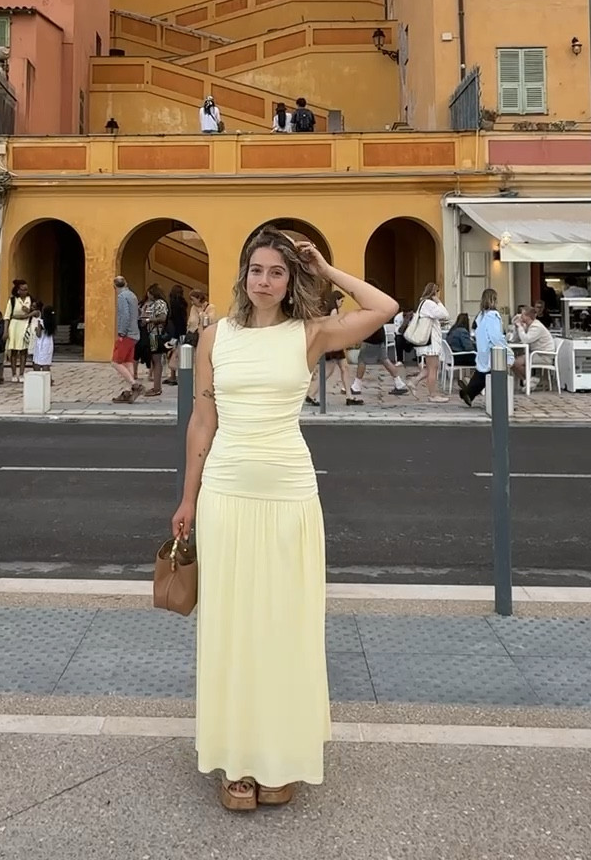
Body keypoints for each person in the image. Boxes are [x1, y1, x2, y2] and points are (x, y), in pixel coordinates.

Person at [171, 225, 398, 811]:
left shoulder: (311, 332)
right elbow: (202, 421)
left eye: (277, 272)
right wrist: (188, 498)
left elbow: (385, 307)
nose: (265, 281)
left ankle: (280, 755)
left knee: (283, 624)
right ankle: (237, 760)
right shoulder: (214, 336)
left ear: (290, 279)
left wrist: (324, 269)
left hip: (289, 491)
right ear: (243, 275)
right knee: (231, 626)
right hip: (225, 489)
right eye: (257, 270)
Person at [458, 288, 514, 407]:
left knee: (482, 373)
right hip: (492, 349)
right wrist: (506, 348)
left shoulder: (481, 315)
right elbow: (495, 336)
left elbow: (475, 331)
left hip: (482, 348)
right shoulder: (493, 316)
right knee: (493, 374)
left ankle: (469, 392)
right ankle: (499, 402)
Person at [347, 318, 411, 405]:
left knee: (362, 360)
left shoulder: (370, 312)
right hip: (380, 336)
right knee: (385, 359)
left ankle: (356, 386)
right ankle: (399, 383)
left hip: (371, 337)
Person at [305, 290, 351, 405]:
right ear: (336, 300)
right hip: (334, 344)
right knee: (329, 371)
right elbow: (333, 327)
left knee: (343, 368)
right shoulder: (334, 311)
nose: (342, 304)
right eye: (341, 301)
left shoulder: (329, 310)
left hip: (333, 344)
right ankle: (311, 394)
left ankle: (349, 396)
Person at [411, 282, 451, 403]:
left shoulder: (423, 303)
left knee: (431, 367)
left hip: (429, 341)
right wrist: (438, 301)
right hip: (431, 342)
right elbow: (445, 314)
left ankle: (414, 382)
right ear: (435, 292)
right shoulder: (429, 304)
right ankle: (432, 395)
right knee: (433, 369)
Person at [112, 276, 142, 404]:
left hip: (127, 334)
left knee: (116, 362)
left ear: (114, 286)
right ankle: (128, 392)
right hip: (134, 332)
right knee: (127, 363)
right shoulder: (132, 295)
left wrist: (121, 332)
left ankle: (135, 385)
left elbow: (124, 315)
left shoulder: (122, 297)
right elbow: (138, 313)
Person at [510, 306, 555, 387]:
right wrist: (516, 327)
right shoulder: (528, 325)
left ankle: (530, 381)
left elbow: (525, 340)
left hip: (544, 355)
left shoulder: (536, 327)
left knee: (516, 363)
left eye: (522, 315)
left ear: (528, 317)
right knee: (512, 362)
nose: (520, 316)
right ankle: (529, 382)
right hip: (536, 353)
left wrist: (520, 327)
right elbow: (516, 339)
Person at [144, 283, 169, 396]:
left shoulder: (159, 303)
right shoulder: (157, 303)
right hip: (153, 334)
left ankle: (157, 387)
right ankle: (156, 386)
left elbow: (162, 317)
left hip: (155, 335)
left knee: (156, 360)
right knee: (155, 360)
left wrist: (148, 320)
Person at [4, 279, 32, 383]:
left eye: (26, 289)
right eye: (23, 289)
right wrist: (5, 331)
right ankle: (13, 373)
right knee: (14, 351)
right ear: (18, 290)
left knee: (23, 351)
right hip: (14, 325)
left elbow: (36, 312)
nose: (25, 291)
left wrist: (28, 311)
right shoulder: (13, 300)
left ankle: (21, 373)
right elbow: (7, 316)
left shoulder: (30, 299)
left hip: (25, 325)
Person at [165, 284, 189, 385]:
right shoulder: (183, 304)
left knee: (172, 353)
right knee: (179, 354)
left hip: (174, 332)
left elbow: (174, 320)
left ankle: (173, 376)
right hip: (182, 332)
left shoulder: (173, 304)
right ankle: (177, 376)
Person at [32, 305, 56, 372]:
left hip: (41, 343)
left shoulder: (40, 322)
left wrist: (36, 329)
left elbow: (39, 334)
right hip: (49, 343)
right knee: (46, 363)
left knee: (37, 362)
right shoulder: (53, 322)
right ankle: (47, 377)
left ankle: (38, 376)